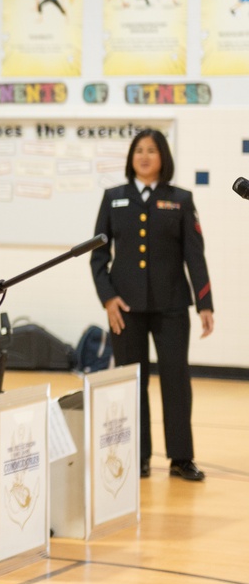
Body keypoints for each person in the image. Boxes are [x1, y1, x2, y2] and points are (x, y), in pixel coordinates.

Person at [91, 128, 213, 482]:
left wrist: (205, 303)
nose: (144, 156)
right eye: (138, 150)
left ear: (164, 158)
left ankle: (181, 457)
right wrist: (108, 298)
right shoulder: (113, 197)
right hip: (125, 308)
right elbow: (98, 257)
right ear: (131, 157)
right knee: (132, 381)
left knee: (176, 380)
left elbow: (195, 255)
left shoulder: (181, 199)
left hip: (172, 306)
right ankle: (137, 455)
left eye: (152, 150)